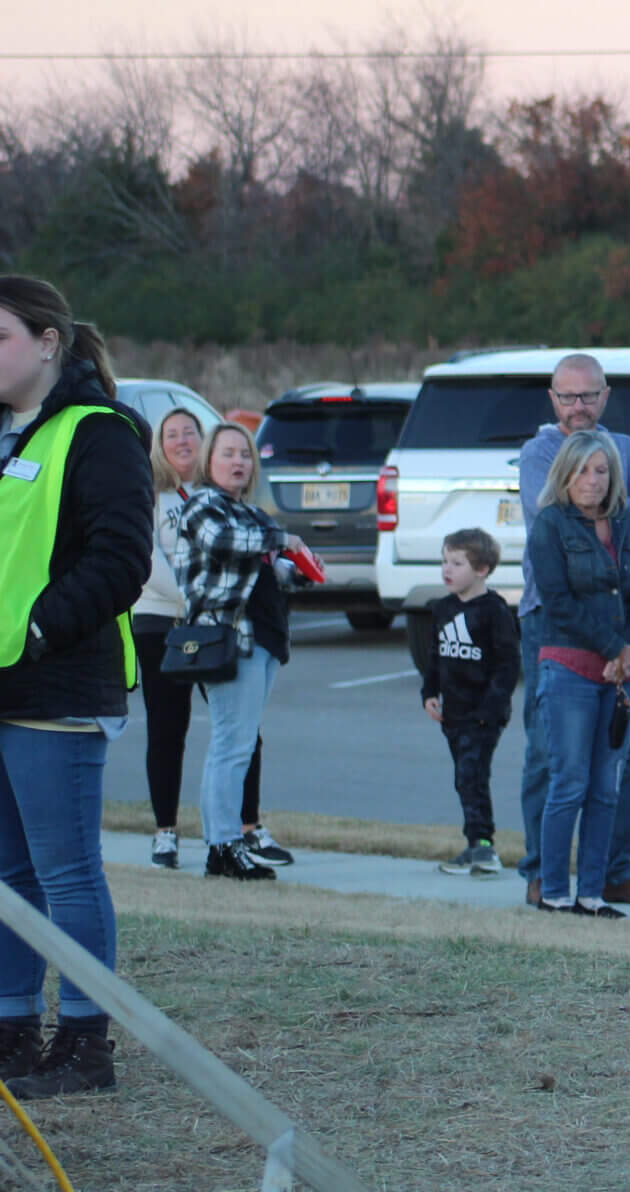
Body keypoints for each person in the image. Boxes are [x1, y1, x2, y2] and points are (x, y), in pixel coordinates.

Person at [0, 276, 150, 1099]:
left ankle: (85, 1042)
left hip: (57, 687)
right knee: (8, 875)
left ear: (48, 342)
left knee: (63, 873)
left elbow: (120, 560)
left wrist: (38, 632)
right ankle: (13, 1027)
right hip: (3, 685)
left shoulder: (99, 433)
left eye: (0, 338)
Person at [516, 353, 630, 908]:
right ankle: (541, 871)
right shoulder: (537, 453)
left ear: (605, 396)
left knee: (622, 755)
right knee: (551, 756)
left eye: (588, 396)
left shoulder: (626, 448)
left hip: (620, 627)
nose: (578, 407)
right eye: (567, 396)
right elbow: (552, 525)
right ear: (552, 399)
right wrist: (614, 504)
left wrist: (625, 647)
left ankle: (614, 870)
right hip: (553, 626)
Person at [132, 405, 274, 871]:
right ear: (160, 443)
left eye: (189, 432)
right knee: (170, 730)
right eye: (171, 434)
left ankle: (248, 828)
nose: (181, 441)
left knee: (239, 733)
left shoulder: (227, 499)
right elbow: (148, 559)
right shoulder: (154, 496)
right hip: (163, 622)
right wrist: (191, 601)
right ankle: (167, 832)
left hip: (216, 627)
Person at [177, 422, 311, 882]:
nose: (238, 462)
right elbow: (223, 543)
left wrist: (302, 569)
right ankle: (223, 846)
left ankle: (227, 842)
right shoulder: (201, 507)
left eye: (246, 455)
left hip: (265, 644)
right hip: (228, 642)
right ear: (209, 461)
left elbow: (270, 574)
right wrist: (283, 540)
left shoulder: (253, 514)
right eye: (228, 453)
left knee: (237, 744)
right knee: (230, 747)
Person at [408, 529, 520, 876]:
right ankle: (476, 844)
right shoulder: (442, 609)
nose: (447, 569)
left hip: (483, 715)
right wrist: (429, 693)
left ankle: (482, 846)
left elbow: (508, 665)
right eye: (445, 561)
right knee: (463, 777)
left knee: (472, 776)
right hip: (453, 713)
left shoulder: (494, 611)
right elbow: (436, 658)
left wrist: (490, 709)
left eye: (457, 563)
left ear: (483, 569)